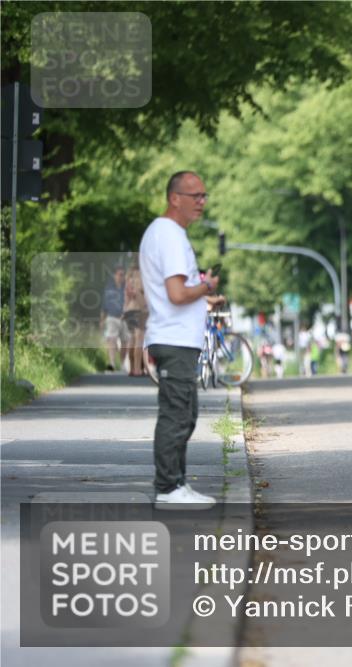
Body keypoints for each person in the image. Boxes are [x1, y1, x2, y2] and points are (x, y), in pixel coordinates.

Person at [140, 171, 223, 509]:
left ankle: (177, 483)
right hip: (173, 341)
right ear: (175, 198)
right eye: (195, 196)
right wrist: (207, 286)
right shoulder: (169, 235)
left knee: (185, 415)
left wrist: (203, 300)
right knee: (176, 416)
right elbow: (175, 294)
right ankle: (168, 487)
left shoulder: (167, 234)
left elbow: (172, 292)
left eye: (204, 196)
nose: (202, 202)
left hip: (178, 339)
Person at [122, 260, 148, 376]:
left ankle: (132, 368)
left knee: (132, 340)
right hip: (139, 311)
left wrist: (124, 312)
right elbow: (142, 299)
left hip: (129, 311)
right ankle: (138, 369)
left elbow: (125, 299)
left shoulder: (128, 280)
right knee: (139, 340)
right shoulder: (141, 279)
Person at [101, 266, 127, 371]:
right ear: (115, 275)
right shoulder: (109, 288)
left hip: (125, 319)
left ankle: (122, 363)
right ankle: (111, 363)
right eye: (119, 274)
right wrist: (102, 319)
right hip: (111, 317)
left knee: (125, 343)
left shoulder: (127, 288)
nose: (121, 277)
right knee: (112, 339)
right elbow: (104, 305)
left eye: (123, 275)